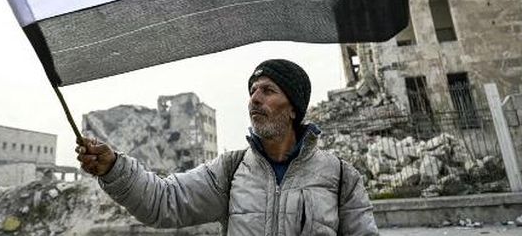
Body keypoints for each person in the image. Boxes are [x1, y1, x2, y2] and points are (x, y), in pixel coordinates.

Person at [76, 59, 379, 235]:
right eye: (252, 91)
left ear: (293, 109)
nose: (255, 99)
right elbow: (164, 200)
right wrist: (114, 168)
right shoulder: (230, 170)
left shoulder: (341, 178)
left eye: (268, 91)